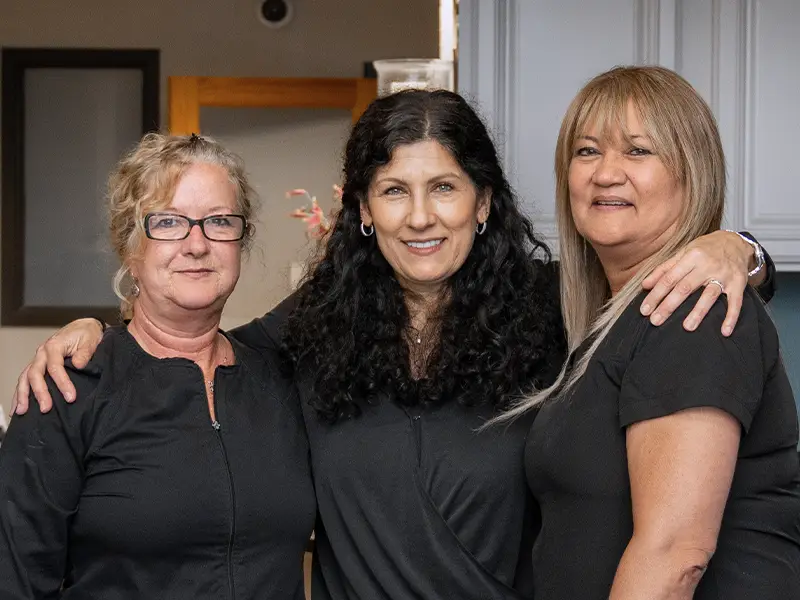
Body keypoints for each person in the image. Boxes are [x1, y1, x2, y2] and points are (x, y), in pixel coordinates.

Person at [10, 91, 776, 600]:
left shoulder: (556, 308)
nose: (421, 217)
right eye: (394, 190)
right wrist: (94, 335)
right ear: (364, 210)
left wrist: (739, 247)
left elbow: (652, 307)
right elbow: (191, 337)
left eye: (443, 187)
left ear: (482, 203)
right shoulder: (317, 324)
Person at [510, 66, 800, 599]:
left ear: (693, 172)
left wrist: (738, 247)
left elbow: (675, 558)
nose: (605, 173)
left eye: (638, 151)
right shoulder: (608, 317)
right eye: (587, 151)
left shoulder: (694, 312)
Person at [0, 133, 315, 599]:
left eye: (219, 222)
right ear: (131, 248)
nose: (197, 243)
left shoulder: (279, 377)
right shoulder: (71, 386)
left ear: (240, 240)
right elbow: (17, 581)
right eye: (168, 222)